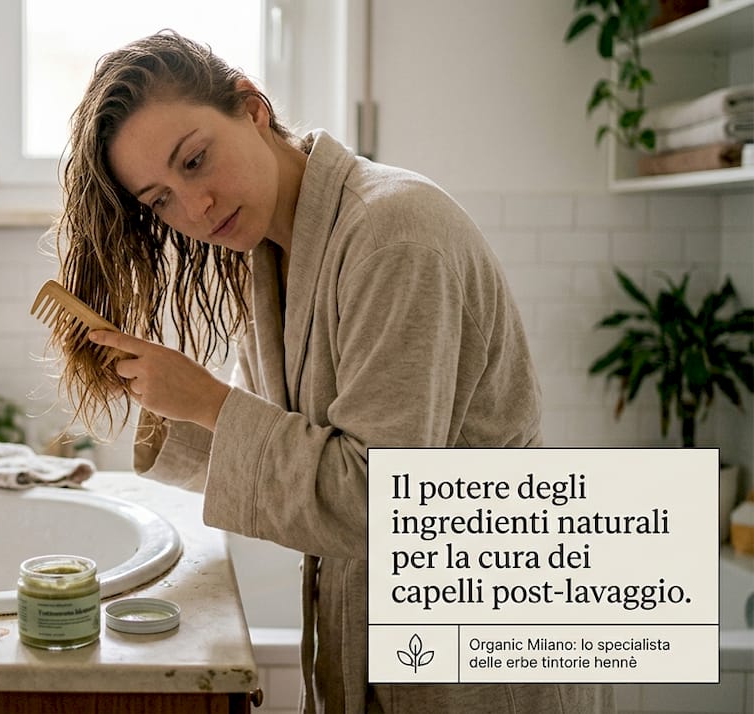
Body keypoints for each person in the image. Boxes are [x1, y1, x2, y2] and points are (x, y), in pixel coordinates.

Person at [47, 30, 613, 714]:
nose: (192, 209)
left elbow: (384, 500)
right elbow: (296, 462)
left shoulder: (395, 233)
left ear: (251, 107)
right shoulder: (266, 254)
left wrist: (210, 403)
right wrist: (171, 402)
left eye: (195, 160)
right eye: (159, 199)